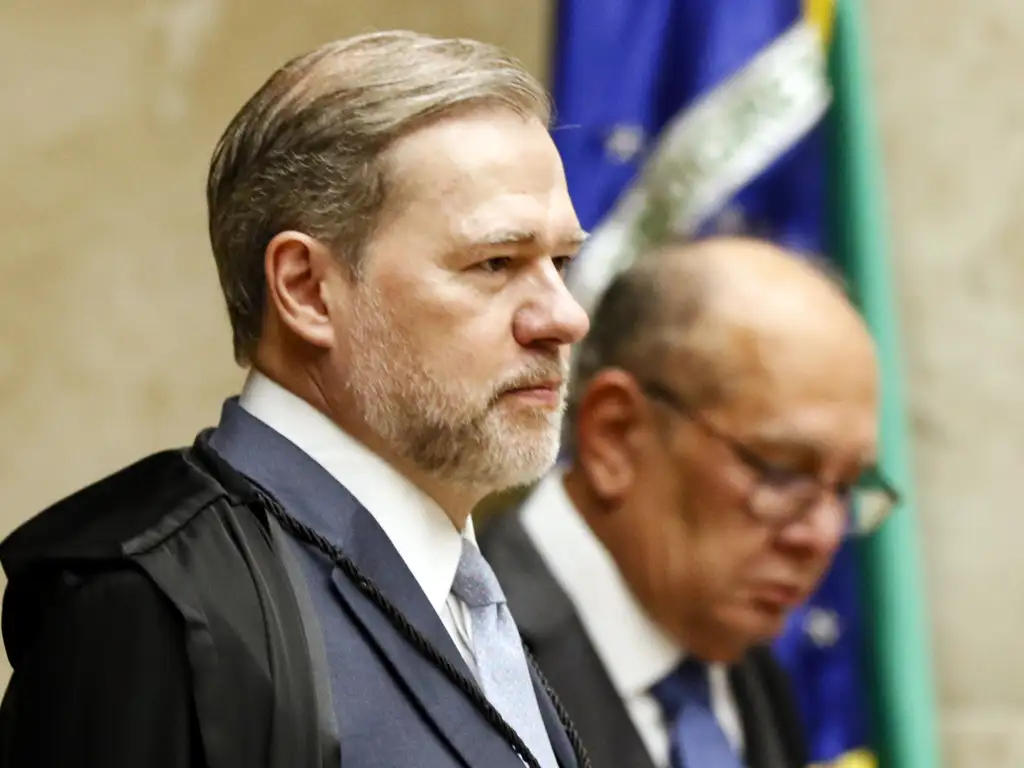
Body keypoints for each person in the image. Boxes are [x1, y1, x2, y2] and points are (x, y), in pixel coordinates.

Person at [0, 31, 592, 768]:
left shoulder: (466, 594)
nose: (565, 316)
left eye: (561, 261)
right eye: (495, 262)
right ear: (307, 290)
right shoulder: (149, 605)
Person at [479, 237, 901, 768]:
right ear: (616, 435)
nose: (822, 535)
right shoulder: (460, 650)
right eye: (782, 472)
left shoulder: (749, 673)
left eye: (845, 487)